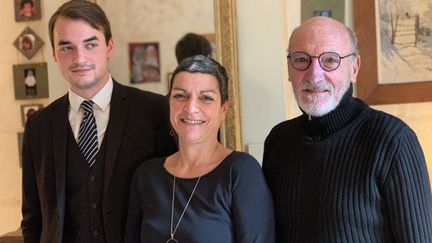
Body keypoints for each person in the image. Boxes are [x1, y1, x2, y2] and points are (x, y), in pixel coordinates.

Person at [262, 16, 432, 243]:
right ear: (289, 69)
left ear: (354, 68)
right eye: (301, 59)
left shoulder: (392, 140)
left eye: (330, 60)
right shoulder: (278, 141)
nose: (314, 75)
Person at [21, 1, 176, 243]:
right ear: (53, 54)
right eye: (66, 47)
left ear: (109, 46)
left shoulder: (156, 110)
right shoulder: (38, 126)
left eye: (90, 44)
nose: (79, 58)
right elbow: (33, 219)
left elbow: (176, 200)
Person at [125, 55, 275, 242]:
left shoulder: (240, 172)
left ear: (223, 109)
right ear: (169, 103)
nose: (191, 108)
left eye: (206, 98)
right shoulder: (146, 175)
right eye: (180, 96)